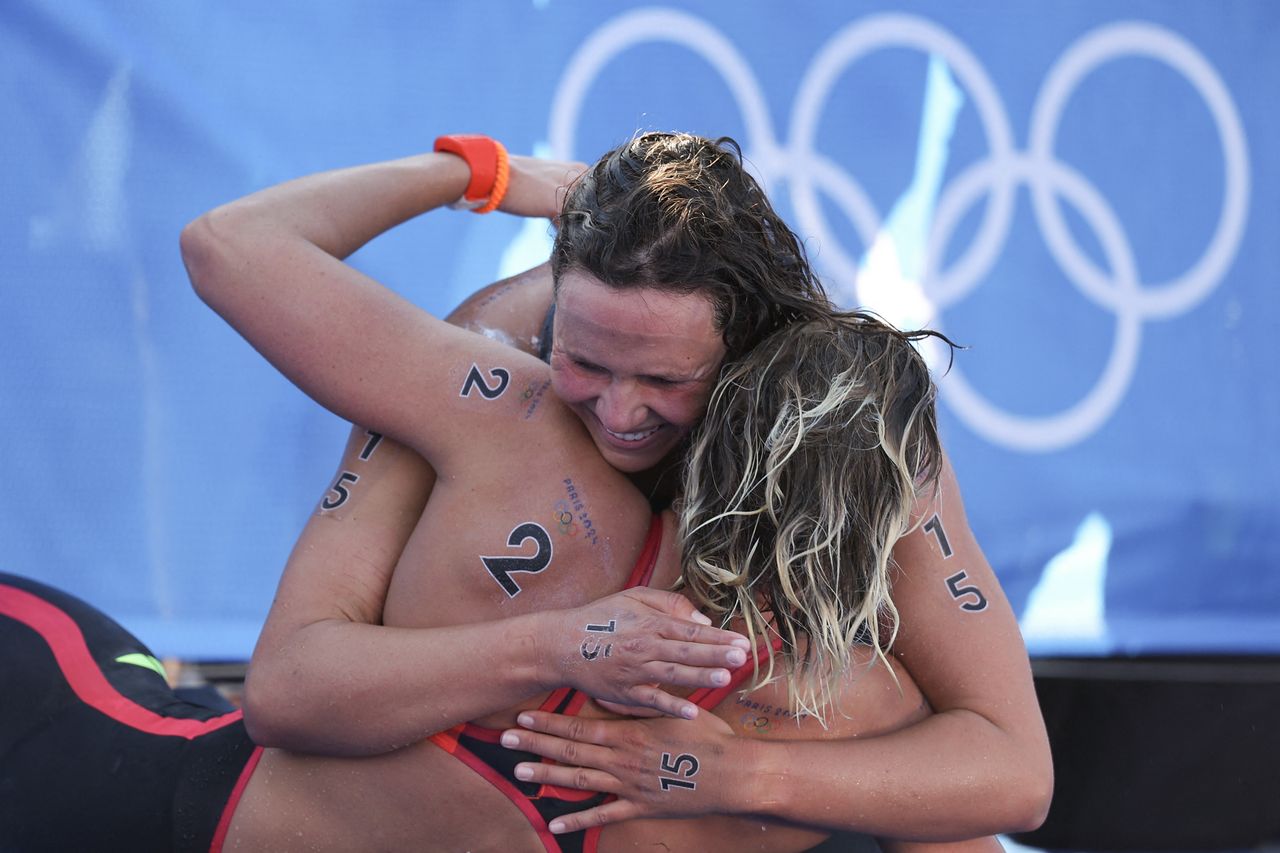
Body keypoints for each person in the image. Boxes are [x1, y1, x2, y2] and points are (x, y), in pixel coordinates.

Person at [182, 131, 1050, 841]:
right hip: (342, 774)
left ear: (740, 348)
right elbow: (226, 246)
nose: (621, 411)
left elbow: (1013, 767)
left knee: (898, 720)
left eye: (667, 382)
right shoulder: (501, 367)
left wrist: (725, 773)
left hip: (705, 782)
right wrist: (490, 173)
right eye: (586, 362)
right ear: (558, 303)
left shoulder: (843, 443)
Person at [2, 246, 993, 847]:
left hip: (118, 768)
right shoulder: (881, 722)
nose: (620, 407)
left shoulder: (553, 485)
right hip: (135, 757)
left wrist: (509, 196)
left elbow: (235, 252)